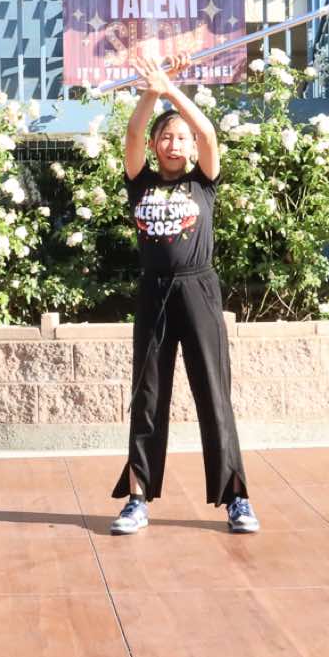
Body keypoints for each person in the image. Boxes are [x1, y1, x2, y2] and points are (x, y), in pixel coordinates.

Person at [109, 45, 256, 536]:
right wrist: (151, 95)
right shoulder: (140, 182)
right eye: (166, 137)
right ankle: (136, 499)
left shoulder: (203, 182)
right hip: (154, 294)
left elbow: (209, 132)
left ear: (191, 148)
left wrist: (172, 89)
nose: (174, 144)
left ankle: (236, 498)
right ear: (155, 146)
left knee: (213, 394)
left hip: (199, 292)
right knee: (149, 396)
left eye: (181, 138)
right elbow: (132, 133)